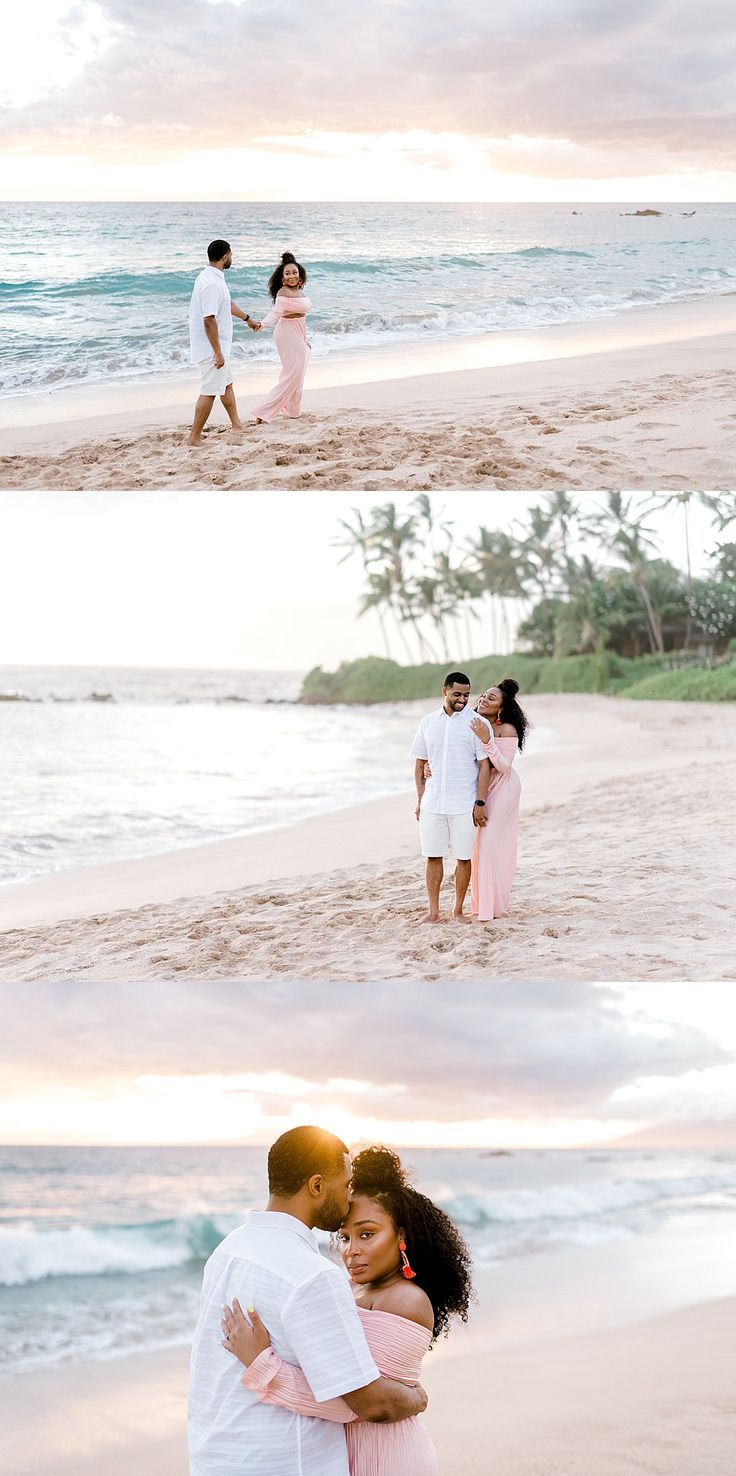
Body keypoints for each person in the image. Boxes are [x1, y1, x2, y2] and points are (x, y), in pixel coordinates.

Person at [188, 1126, 427, 1476]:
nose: (348, 1198)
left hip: (215, 1458)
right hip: (284, 1462)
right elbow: (362, 1404)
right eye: (345, 1185)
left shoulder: (228, 1251)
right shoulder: (313, 1274)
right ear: (316, 1186)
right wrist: (416, 1397)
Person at [221, 1145, 473, 1476]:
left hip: (387, 1456)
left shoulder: (407, 1300)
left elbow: (360, 1405)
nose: (351, 1251)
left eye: (367, 1234)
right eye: (345, 1238)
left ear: (401, 1236)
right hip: (343, 1453)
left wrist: (261, 1364)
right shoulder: (351, 1291)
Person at [410, 672, 492, 924]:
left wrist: (480, 802)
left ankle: (458, 911)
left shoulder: (477, 723)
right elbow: (419, 763)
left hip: (463, 804)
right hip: (433, 803)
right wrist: (420, 799)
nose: (462, 699)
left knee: (463, 858)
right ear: (444, 691)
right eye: (457, 694)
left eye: (466, 695)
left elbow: (485, 766)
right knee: (432, 856)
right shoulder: (427, 722)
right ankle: (433, 911)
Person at [188, 239, 260, 447]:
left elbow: (226, 304)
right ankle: (194, 438)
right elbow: (209, 320)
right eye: (232, 255)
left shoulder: (213, 278)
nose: (232, 258)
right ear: (226, 256)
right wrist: (217, 353)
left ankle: (236, 424)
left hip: (217, 346)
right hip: (211, 348)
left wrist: (248, 319)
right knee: (210, 390)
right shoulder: (210, 283)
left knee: (227, 384)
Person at [468, 678, 529, 922]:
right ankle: (481, 905)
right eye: (483, 695)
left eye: (491, 698)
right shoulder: (473, 723)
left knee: (491, 844)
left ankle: (490, 909)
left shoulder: (507, 729)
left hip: (504, 789)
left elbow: (503, 766)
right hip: (482, 789)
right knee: (479, 847)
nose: (483, 699)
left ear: (501, 709)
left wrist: (487, 740)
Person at [252, 251, 313, 423]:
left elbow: (301, 317)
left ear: (299, 274)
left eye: (294, 272)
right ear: (283, 277)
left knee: (297, 374)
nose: (292, 275)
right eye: (288, 273)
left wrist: (304, 338)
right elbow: (275, 313)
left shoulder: (299, 291)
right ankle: (262, 411)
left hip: (298, 333)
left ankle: (293, 411)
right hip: (287, 333)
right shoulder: (283, 294)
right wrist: (262, 324)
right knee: (291, 375)